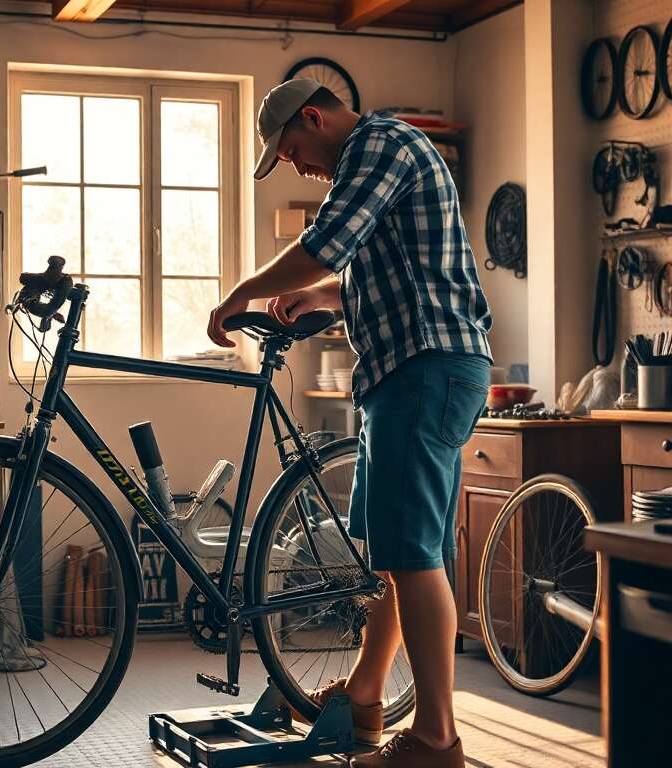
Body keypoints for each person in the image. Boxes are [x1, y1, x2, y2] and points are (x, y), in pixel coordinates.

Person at [207, 79, 493, 768]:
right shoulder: (375, 157)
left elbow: (325, 243)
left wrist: (245, 291)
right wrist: (317, 294)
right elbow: (377, 271)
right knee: (395, 555)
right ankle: (366, 694)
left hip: (424, 369)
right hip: (407, 374)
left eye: (293, 152)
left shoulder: (381, 144)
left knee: (413, 557)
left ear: (313, 117)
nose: (299, 167)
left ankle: (436, 739)